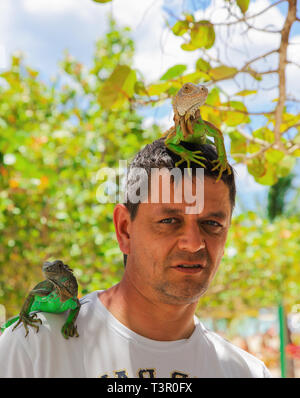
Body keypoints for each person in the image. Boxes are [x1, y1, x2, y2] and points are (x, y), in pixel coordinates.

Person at [0, 138, 272, 378]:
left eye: (212, 224)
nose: (193, 243)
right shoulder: (34, 347)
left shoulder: (246, 372)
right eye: (169, 220)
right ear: (125, 230)